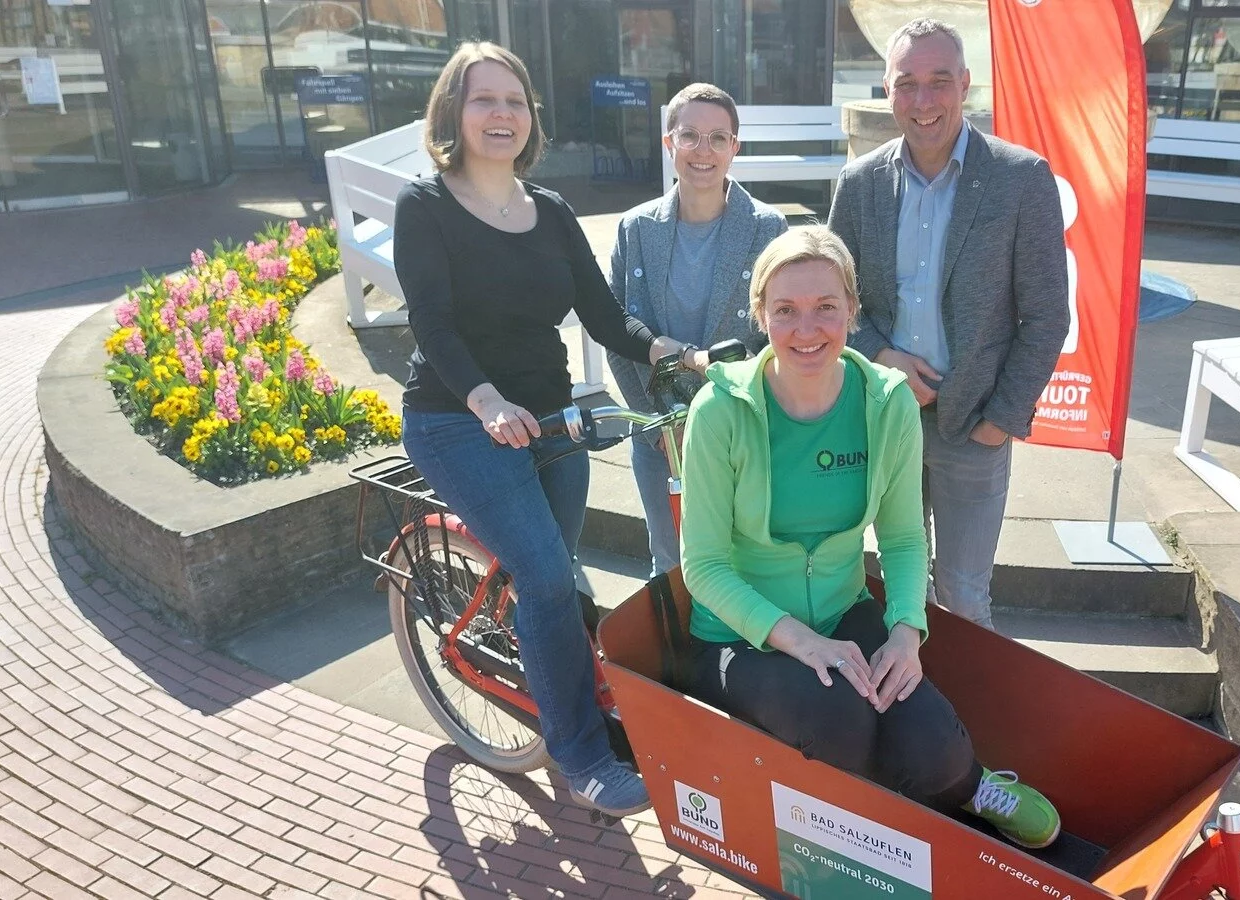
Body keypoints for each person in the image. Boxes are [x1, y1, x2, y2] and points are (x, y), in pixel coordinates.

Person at [393, 42, 706, 817]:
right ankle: (581, 757)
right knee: (543, 578)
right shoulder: (425, 206)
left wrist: (670, 350)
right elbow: (432, 323)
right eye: (483, 99)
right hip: (457, 420)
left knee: (554, 573)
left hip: (554, 420)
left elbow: (603, 315)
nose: (501, 114)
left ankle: (543, 664)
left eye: (514, 101)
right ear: (453, 113)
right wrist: (486, 401)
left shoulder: (552, 211)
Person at [679, 226, 1061, 850]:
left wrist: (907, 633)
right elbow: (704, 566)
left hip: (843, 611)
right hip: (741, 635)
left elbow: (904, 537)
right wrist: (802, 643)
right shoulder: (719, 410)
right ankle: (860, 834)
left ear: (853, 312)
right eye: (785, 310)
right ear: (760, 315)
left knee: (933, 747)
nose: (807, 329)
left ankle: (967, 785)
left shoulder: (888, 403)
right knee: (837, 719)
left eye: (826, 307)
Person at [827, 18, 1071, 630]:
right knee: (900, 589)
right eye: (907, 83)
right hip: (886, 424)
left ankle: (967, 696)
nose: (923, 100)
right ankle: (912, 690)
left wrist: (1001, 419)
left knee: (964, 598)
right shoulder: (858, 184)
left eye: (939, 81)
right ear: (887, 89)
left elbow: (1046, 316)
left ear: (965, 84)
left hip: (974, 427)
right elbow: (834, 303)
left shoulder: (1022, 179)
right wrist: (882, 357)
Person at [608, 82, 788, 576]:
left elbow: (778, 340)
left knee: (745, 565)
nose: (702, 151)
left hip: (741, 435)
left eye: (717, 138)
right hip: (658, 438)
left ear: (735, 147)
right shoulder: (635, 229)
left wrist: (720, 421)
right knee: (671, 564)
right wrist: (662, 426)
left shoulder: (768, 229)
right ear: (669, 143)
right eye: (689, 136)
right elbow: (617, 333)